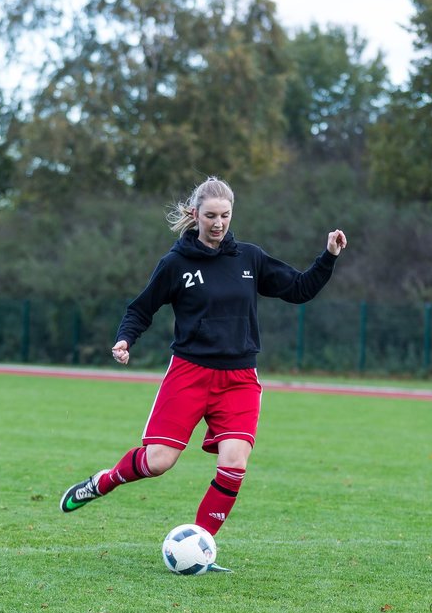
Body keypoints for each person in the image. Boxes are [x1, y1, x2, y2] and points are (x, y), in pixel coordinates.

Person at [59, 176, 347, 568]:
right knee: (158, 462)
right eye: (210, 215)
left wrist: (328, 256)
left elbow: (299, 289)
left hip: (240, 378)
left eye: (225, 215)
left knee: (234, 464)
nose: (218, 223)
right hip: (190, 373)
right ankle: (102, 482)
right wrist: (125, 339)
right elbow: (141, 308)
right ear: (194, 215)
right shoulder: (175, 263)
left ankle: (199, 548)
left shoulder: (250, 258)